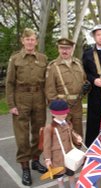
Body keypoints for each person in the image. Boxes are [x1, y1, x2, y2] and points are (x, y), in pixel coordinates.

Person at [5, 28, 48, 186]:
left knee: (39, 132)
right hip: (21, 98)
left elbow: (47, 81)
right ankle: (25, 167)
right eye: (27, 39)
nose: (30, 42)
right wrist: (11, 104)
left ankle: (36, 161)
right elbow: (9, 83)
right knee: (22, 136)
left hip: (39, 98)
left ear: (36, 41)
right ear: (22, 41)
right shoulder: (15, 59)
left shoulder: (43, 58)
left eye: (33, 39)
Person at [45, 38, 90, 137]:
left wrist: (86, 88)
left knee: (78, 135)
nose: (65, 51)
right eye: (62, 48)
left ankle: (77, 151)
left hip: (77, 105)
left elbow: (84, 82)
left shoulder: (78, 64)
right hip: (61, 106)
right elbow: (50, 90)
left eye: (68, 48)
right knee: (62, 136)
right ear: (58, 49)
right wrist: (56, 109)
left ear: (72, 49)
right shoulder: (53, 66)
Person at [43, 99, 83, 188]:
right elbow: (46, 145)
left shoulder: (68, 123)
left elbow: (72, 133)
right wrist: (47, 159)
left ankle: (73, 186)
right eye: (60, 114)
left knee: (71, 172)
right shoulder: (49, 128)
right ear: (53, 114)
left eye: (65, 113)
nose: (64, 115)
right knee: (59, 176)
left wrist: (77, 138)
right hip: (57, 157)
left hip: (69, 153)